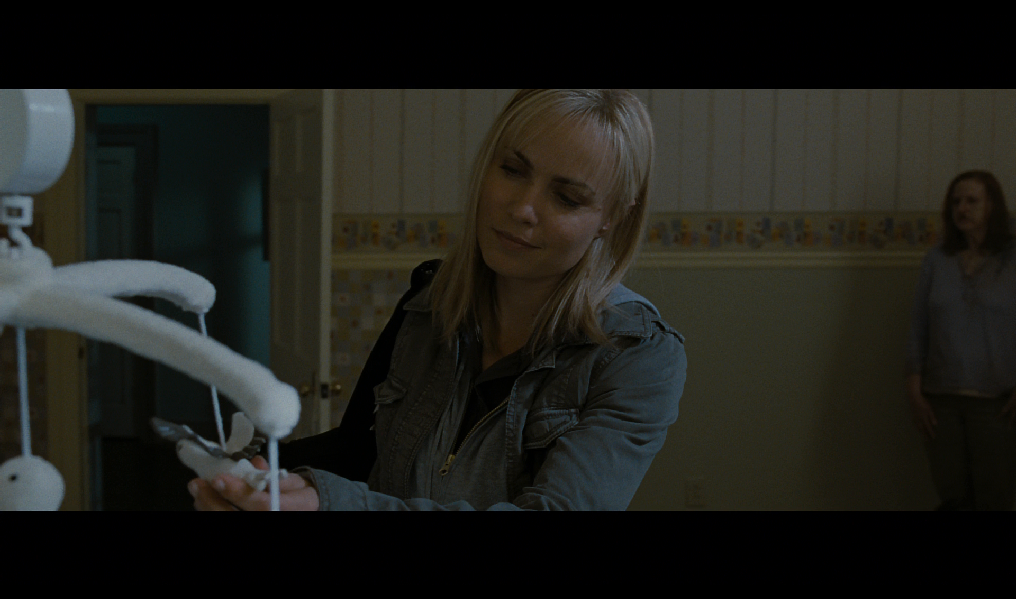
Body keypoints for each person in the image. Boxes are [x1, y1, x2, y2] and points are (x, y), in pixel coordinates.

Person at [188, 89, 687, 510]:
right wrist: (256, 474)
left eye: (567, 198)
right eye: (513, 169)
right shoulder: (428, 302)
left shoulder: (637, 356)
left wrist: (329, 502)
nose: (522, 208)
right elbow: (359, 450)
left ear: (613, 217)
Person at [906, 169, 1016, 510]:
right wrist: (914, 389)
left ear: (992, 205)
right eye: (956, 202)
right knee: (952, 496)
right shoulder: (937, 259)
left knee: (994, 494)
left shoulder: (1011, 259)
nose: (962, 209)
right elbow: (919, 326)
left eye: (972, 201)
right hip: (941, 400)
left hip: (996, 401)